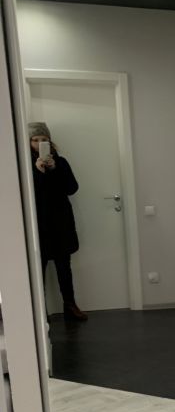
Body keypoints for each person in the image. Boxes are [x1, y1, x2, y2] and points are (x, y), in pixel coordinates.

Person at [28, 122, 88, 321]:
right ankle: (40, 312)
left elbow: (72, 188)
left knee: (64, 266)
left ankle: (70, 306)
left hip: (60, 222)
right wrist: (38, 172)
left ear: (50, 141)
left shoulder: (60, 162)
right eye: (35, 140)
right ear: (28, 142)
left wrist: (55, 169)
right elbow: (27, 194)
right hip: (38, 224)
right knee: (39, 267)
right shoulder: (25, 164)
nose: (39, 143)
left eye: (43, 139)